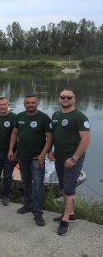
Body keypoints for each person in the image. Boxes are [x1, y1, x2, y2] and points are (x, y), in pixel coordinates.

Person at [48, 89, 91, 236]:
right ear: (59, 99)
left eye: (68, 97)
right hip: (59, 157)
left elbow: (86, 140)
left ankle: (65, 220)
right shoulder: (56, 115)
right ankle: (71, 214)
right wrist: (50, 151)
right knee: (63, 186)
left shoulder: (79, 117)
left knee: (69, 188)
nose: (65, 99)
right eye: (63, 97)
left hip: (73, 159)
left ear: (74, 99)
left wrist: (74, 158)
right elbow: (54, 135)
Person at [8, 94, 52, 227]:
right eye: (28, 102)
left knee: (38, 186)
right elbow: (15, 133)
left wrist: (42, 154)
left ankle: (38, 213)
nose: (30, 104)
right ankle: (28, 205)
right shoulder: (20, 116)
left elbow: (50, 138)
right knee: (26, 183)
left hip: (36, 159)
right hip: (22, 157)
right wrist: (11, 150)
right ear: (24, 104)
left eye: (33, 102)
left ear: (37, 103)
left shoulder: (44, 118)